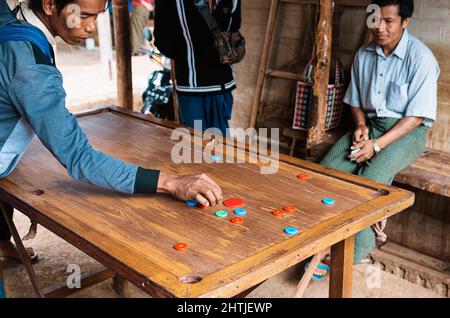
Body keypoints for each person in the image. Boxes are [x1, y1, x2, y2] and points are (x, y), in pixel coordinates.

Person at [0, 0, 222, 263]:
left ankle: (2, 243)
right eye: (82, 15)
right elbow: (81, 159)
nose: (91, 27)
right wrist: (172, 182)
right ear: (49, 4)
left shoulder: (9, 17)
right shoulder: (32, 69)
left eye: (97, 16)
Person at [319, 0, 440, 269]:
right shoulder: (365, 54)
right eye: (376, 20)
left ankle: (354, 253)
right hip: (373, 127)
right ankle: (320, 241)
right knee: (326, 172)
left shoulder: (421, 59)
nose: (380, 27)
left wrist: (376, 146)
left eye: (389, 21)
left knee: (370, 183)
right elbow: (355, 101)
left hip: (408, 133)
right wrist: (361, 126)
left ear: (405, 22)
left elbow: (416, 117)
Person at [153, 0, 241, 136]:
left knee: (195, 148)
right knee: (220, 148)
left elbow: (162, 40)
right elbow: (234, 29)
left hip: (191, 85)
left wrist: (186, 55)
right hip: (221, 83)